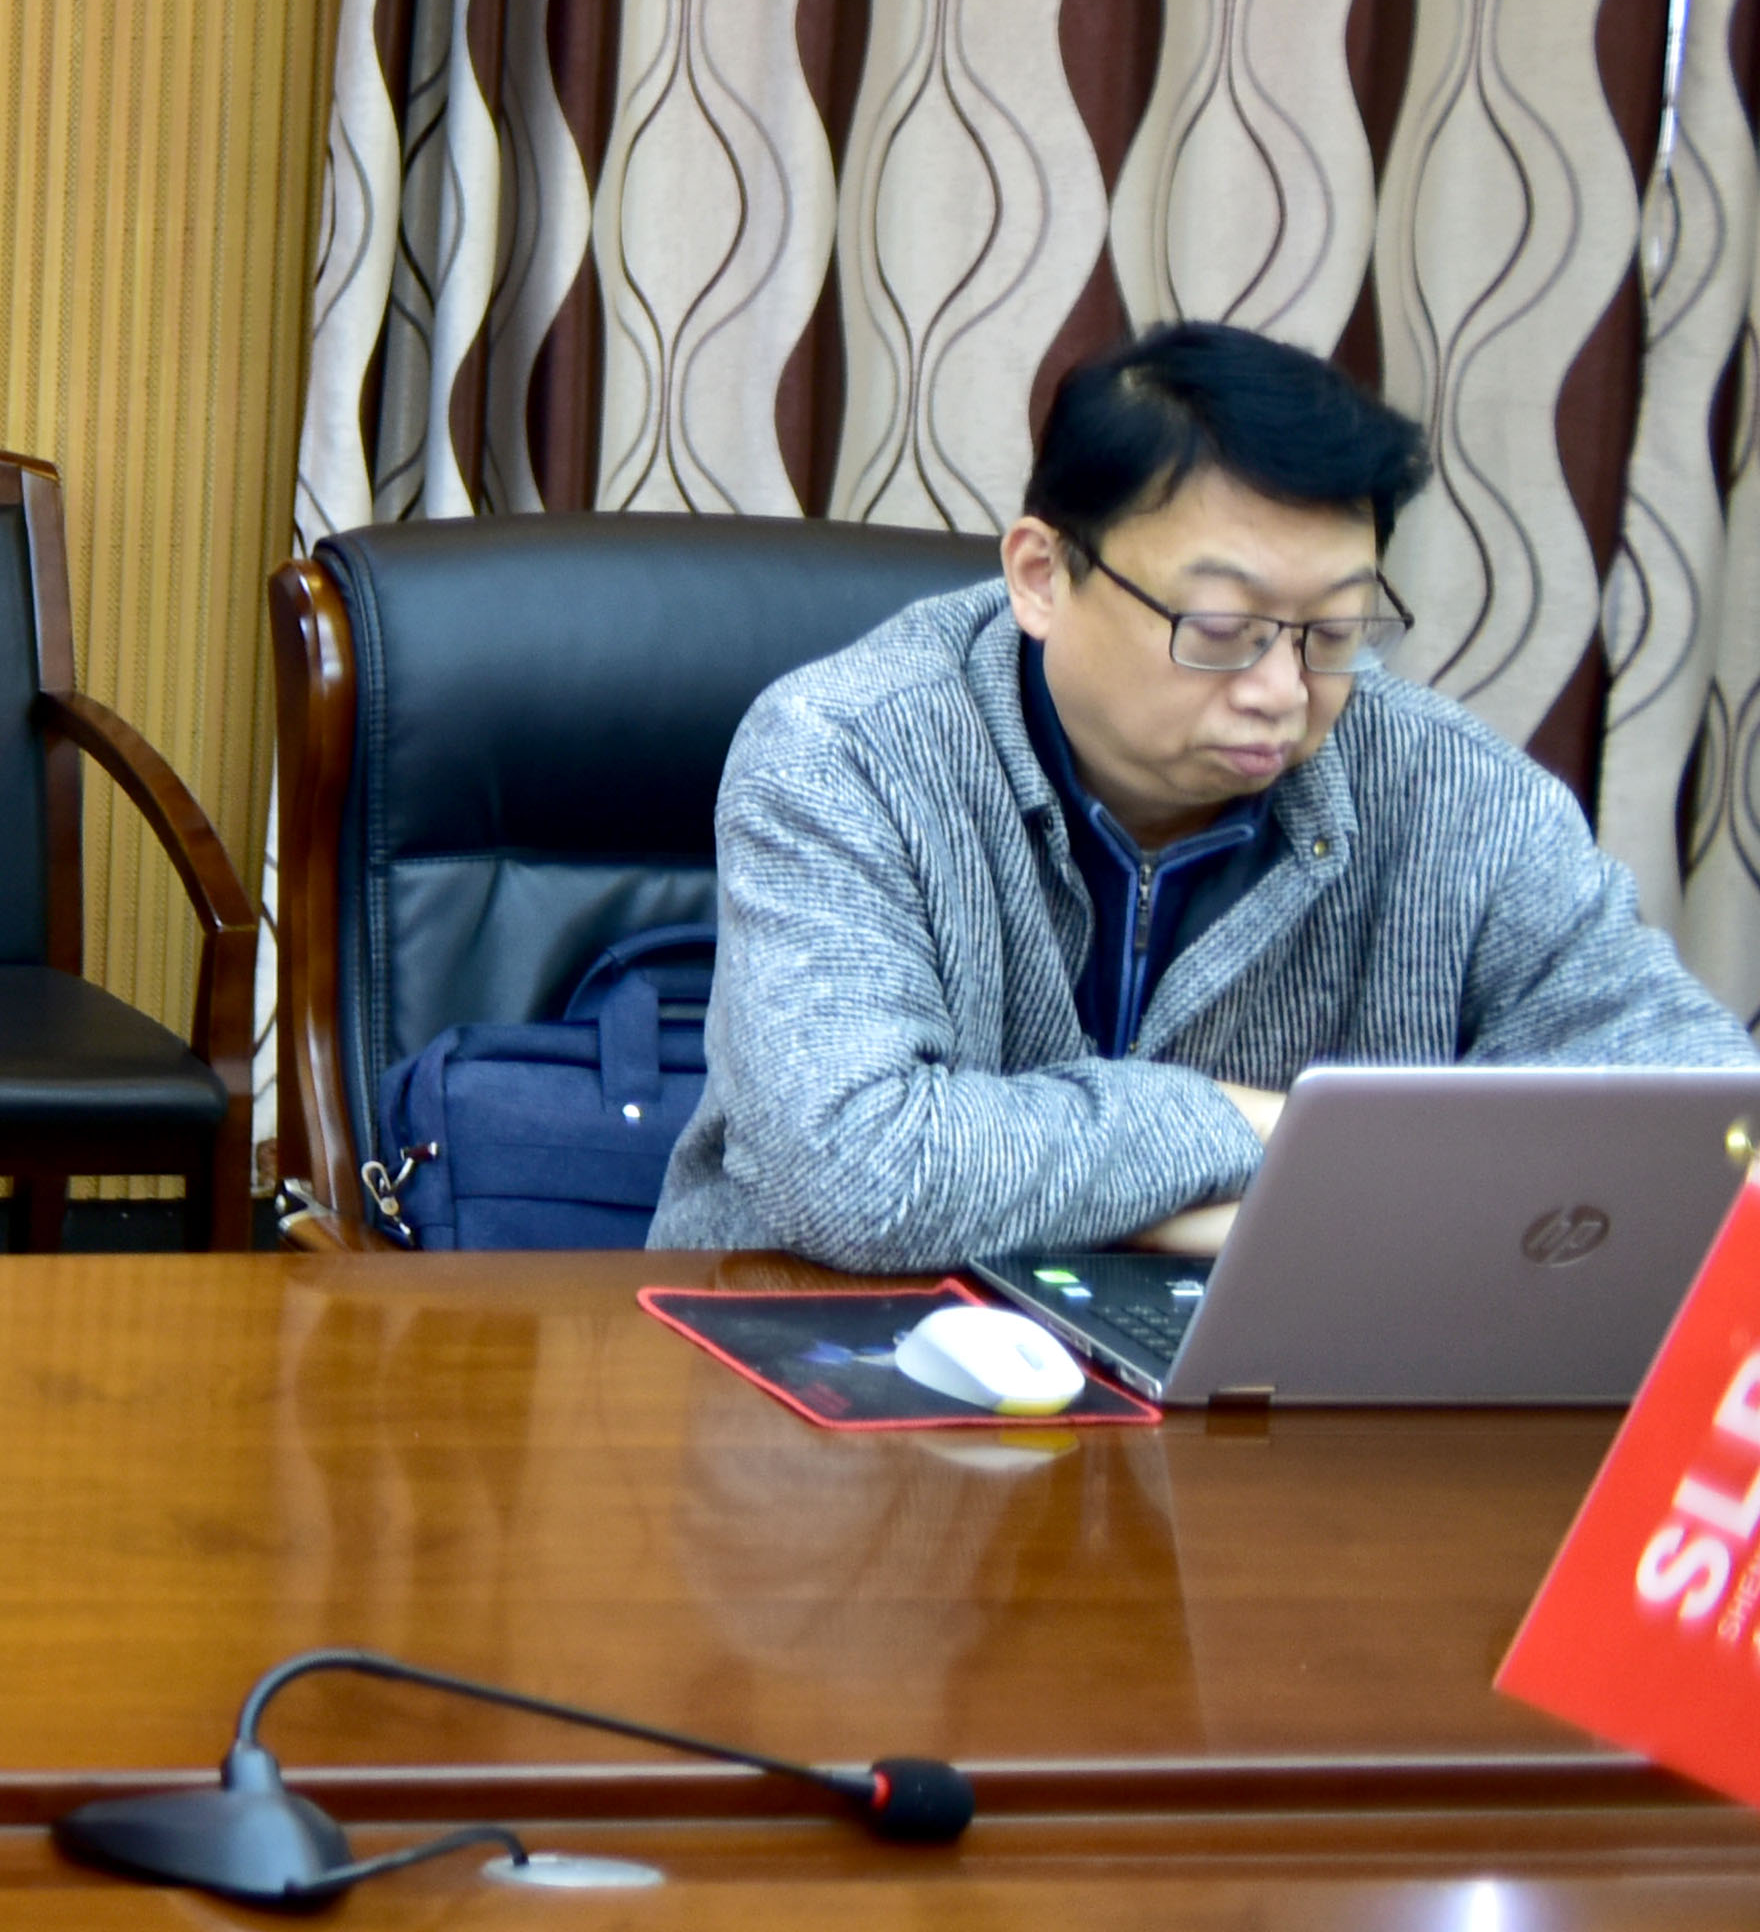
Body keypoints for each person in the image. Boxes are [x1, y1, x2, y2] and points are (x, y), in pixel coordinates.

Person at [654, 320, 1756, 1273]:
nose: (1283, 693)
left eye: (1334, 632)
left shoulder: (1459, 798)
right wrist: (1262, 1126)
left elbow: (1704, 1129)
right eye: (1222, 631)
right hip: (831, 1357)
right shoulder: (847, 751)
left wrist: (1190, 1211)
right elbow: (852, 1172)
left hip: (1285, 1379)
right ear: (1041, 576)